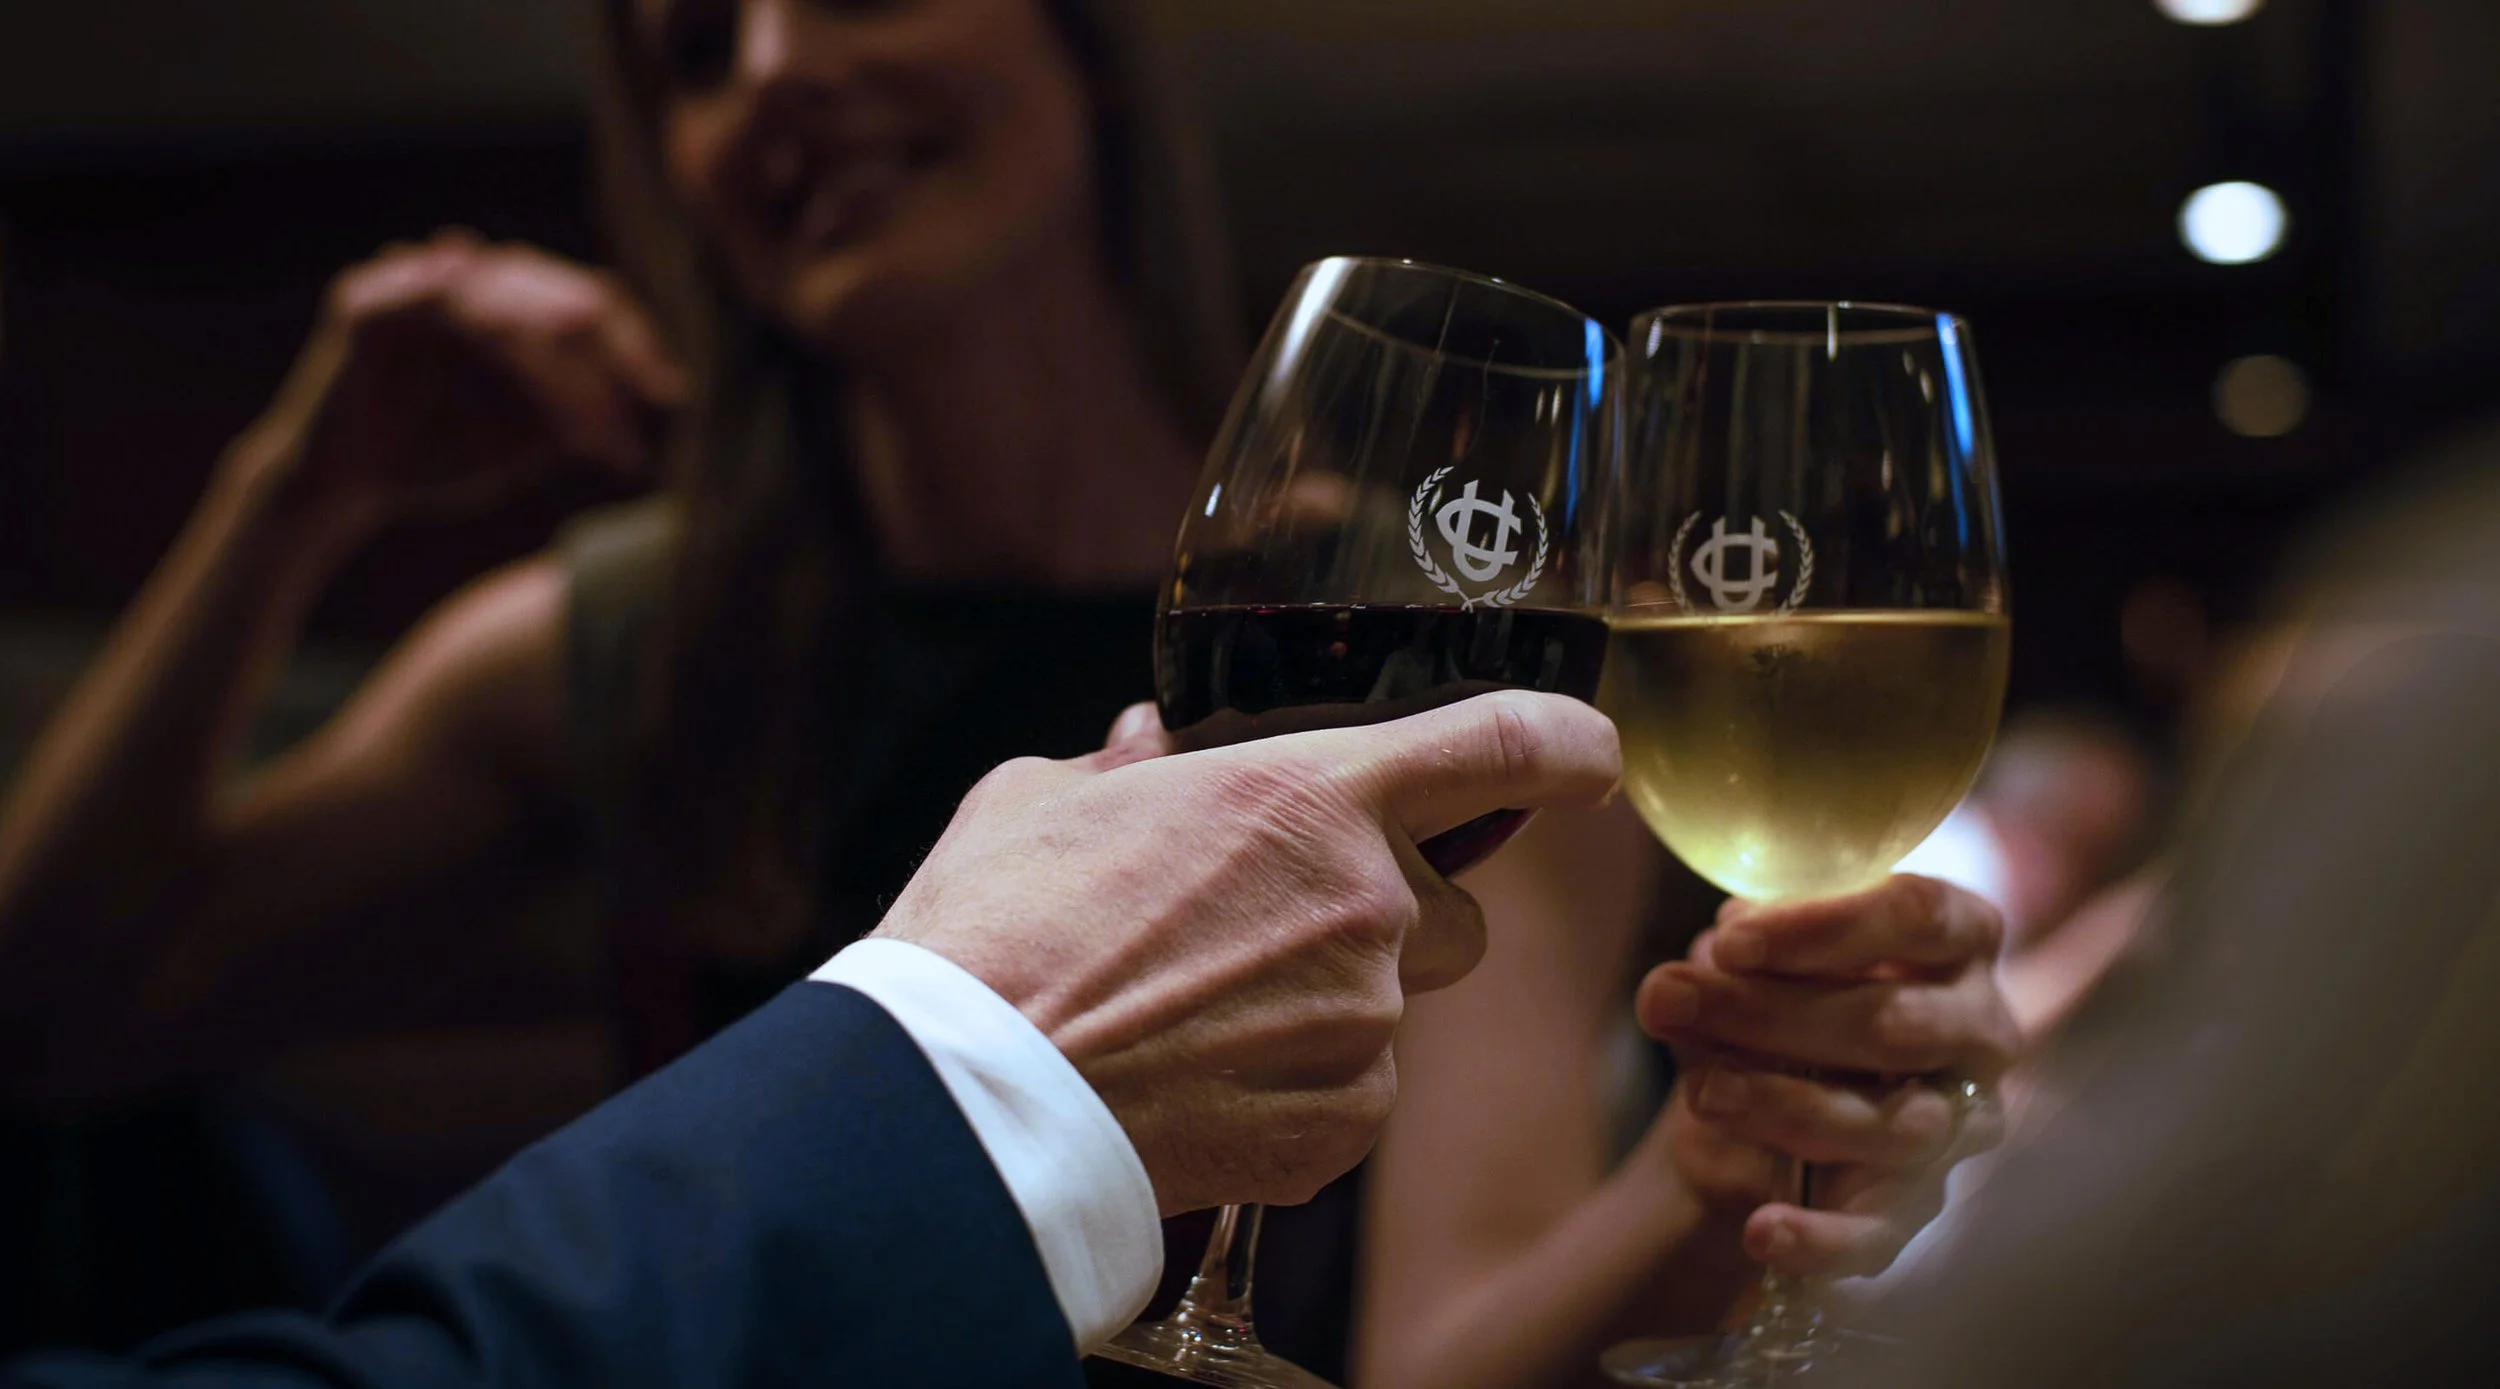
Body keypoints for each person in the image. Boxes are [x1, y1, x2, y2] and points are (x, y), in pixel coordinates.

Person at [4, 691, 1621, 1388]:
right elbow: (56, 1021)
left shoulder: (1345, 591)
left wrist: (1710, 1162)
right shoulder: (662, 620)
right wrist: (289, 484)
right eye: (695, 47)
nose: (779, 64)